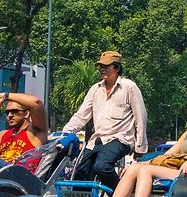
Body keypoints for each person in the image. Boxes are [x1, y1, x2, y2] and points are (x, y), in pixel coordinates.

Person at [62, 51, 147, 189]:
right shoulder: (95, 89)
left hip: (120, 139)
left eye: (106, 66)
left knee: (102, 167)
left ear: (117, 68)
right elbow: (81, 115)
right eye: (100, 66)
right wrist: (64, 134)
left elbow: (140, 117)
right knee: (81, 174)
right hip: (98, 140)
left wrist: (140, 146)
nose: (102, 69)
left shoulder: (129, 87)